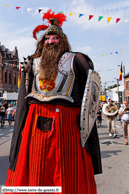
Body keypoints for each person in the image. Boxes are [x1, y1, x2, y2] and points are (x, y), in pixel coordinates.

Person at [5, 10, 102, 193]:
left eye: (55, 38)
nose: (50, 41)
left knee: (68, 167)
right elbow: (24, 95)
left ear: (62, 41)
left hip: (68, 121)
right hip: (35, 120)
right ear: (42, 42)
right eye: (47, 38)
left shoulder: (77, 60)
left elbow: (89, 92)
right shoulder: (31, 62)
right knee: (36, 164)